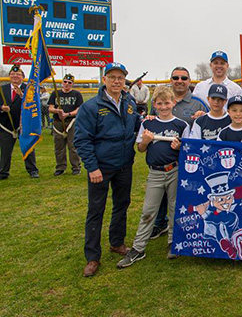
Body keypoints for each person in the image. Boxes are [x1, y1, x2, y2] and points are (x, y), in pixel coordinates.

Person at [74, 62, 141, 277]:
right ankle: (92, 257)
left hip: (124, 165)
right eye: (112, 77)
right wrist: (92, 167)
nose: (116, 81)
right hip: (100, 168)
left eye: (120, 78)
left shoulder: (129, 103)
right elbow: (82, 139)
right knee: (96, 210)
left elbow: (137, 126)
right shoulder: (91, 107)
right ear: (104, 80)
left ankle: (117, 242)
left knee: (122, 204)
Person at [117, 86, 189, 268]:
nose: (164, 107)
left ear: (173, 102)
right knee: (148, 211)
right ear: (154, 105)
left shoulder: (181, 125)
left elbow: (188, 151)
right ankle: (139, 248)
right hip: (155, 172)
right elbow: (140, 148)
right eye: (160, 103)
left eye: (167, 103)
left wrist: (180, 147)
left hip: (175, 170)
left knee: (174, 208)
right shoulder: (148, 124)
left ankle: (173, 243)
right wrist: (146, 141)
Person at [150, 66, 207, 240]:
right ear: (171, 80)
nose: (179, 81)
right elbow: (153, 122)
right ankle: (160, 223)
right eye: (176, 77)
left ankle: (185, 226)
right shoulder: (162, 100)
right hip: (162, 157)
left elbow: (210, 122)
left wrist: (204, 114)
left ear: (189, 81)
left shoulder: (198, 102)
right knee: (161, 195)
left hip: (188, 157)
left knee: (185, 194)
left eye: (184, 78)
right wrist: (150, 118)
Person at [0, 65, 39, 179]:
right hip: (6, 125)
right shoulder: (2, 89)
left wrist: (21, 96)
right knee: (5, 151)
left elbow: (34, 105)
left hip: (24, 125)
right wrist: (1, 108)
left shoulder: (28, 89)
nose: (15, 76)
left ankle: (33, 170)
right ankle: (3, 172)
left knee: (28, 148)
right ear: (9, 76)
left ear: (23, 77)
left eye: (18, 74)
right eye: (13, 74)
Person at [48, 73, 84, 176]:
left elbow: (79, 109)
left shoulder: (77, 94)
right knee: (59, 146)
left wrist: (68, 114)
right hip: (58, 122)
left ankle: (76, 167)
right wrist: (57, 111)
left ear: (72, 84)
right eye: (65, 82)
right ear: (62, 82)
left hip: (71, 122)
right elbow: (50, 108)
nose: (67, 84)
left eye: (69, 82)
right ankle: (60, 167)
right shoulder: (55, 93)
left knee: (73, 145)